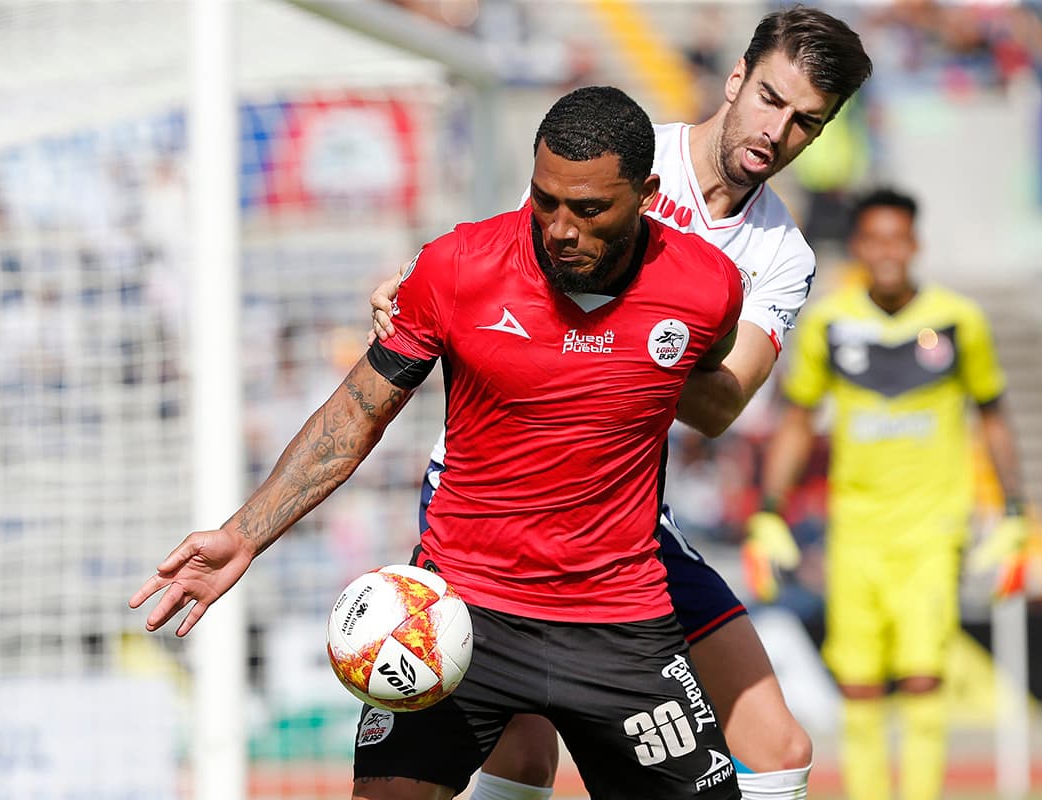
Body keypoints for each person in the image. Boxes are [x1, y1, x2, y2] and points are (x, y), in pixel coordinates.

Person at [131, 86, 746, 800]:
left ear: (646, 194)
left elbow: (706, 386)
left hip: (619, 620)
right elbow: (358, 411)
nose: (560, 228)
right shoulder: (458, 267)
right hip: (457, 611)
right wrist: (244, 534)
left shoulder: (709, 288)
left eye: (588, 209)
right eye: (546, 201)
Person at [369, 7, 873, 800]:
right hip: (499, 498)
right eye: (771, 99)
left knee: (778, 745)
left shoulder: (782, 254)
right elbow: (505, 267)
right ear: (737, 79)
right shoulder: (620, 151)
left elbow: (716, 406)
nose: (777, 132)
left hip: (625, 518)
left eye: (807, 121)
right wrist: (417, 287)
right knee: (522, 754)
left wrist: (654, 334)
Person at [749, 187, 1028, 800]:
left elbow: (994, 416)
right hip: (856, 532)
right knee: (860, 686)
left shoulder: (960, 320)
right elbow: (797, 421)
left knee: (925, 679)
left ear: (915, 244)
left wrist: (1014, 514)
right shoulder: (829, 321)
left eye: (897, 239)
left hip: (933, 527)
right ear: (858, 246)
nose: (887, 252)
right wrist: (769, 511)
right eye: (874, 240)